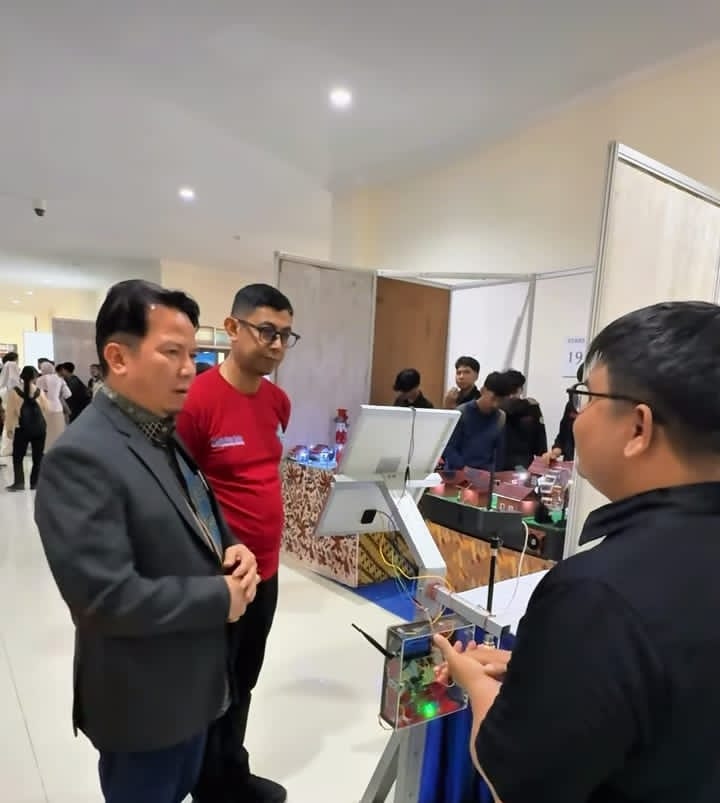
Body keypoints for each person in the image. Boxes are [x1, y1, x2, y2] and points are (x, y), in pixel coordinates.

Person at [434, 301, 720, 803]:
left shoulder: (597, 594)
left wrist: (474, 681)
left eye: (585, 397)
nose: (576, 416)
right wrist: (549, 670)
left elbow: (518, 777)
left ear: (638, 428)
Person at [34, 279, 260, 803]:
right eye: (172, 353)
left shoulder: (160, 431)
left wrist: (231, 545)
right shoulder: (81, 457)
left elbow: (195, 509)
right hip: (144, 705)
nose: (189, 369)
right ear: (118, 357)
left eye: (193, 355)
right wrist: (220, 597)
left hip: (196, 686)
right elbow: (102, 599)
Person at [177, 283, 297, 803]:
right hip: (220, 573)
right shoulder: (197, 401)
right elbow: (178, 492)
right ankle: (208, 784)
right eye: (266, 331)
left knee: (245, 677)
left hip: (266, 570)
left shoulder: (277, 401)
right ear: (232, 328)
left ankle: (231, 773)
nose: (277, 344)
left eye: (286, 335)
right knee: (213, 685)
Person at [443, 371, 512, 471]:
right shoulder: (462, 413)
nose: (496, 404)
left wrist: (492, 472)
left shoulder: (500, 417)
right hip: (458, 472)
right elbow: (448, 448)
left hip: (485, 474)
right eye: (493, 399)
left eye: (501, 401)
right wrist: (465, 469)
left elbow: (499, 454)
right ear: (483, 390)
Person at [5, 365, 48, 491]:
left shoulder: (14, 391)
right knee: (38, 457)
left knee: (18, 457)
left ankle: (19, 483)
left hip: (22, 429)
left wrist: (9, 429)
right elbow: (46, 408)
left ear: (22, 377)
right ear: (35, 377)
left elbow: (10, 413)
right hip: (39, 429)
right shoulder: (39, 391)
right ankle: (35, 483)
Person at [500, 369, 547, 470]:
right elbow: (540, 439)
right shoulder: (532, 407)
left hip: (503, 460)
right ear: (520, 389)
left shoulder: (497, 407)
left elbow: (540, 437)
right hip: (522, 462)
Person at [542, 362, 584, 463]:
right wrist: (555, 452)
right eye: (582, 384)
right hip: (570, 463)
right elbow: (563, 435)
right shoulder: (572, 404)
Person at [36, 360, 71, 450]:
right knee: (58, 431)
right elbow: (68, 394)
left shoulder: (40, 379)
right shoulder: (60, 379)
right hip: (57, 408)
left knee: (46, 431)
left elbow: (38, 395)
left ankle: (46, 450)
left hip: (44, 408)